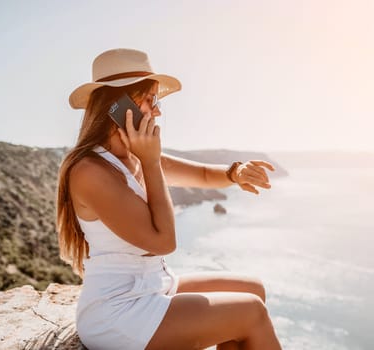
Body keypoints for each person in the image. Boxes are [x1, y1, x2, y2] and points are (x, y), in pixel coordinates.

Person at [56, 48, 281, 350]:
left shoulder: (133, 156)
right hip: (117, 310)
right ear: (119, 105)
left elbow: (201, 175)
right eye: (151, 99)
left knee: (253, 290)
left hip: (153, 285)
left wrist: (235, 172)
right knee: (251, 313)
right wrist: (150, 162)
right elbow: (163, 242)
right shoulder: (90, 171)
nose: (158, 110)